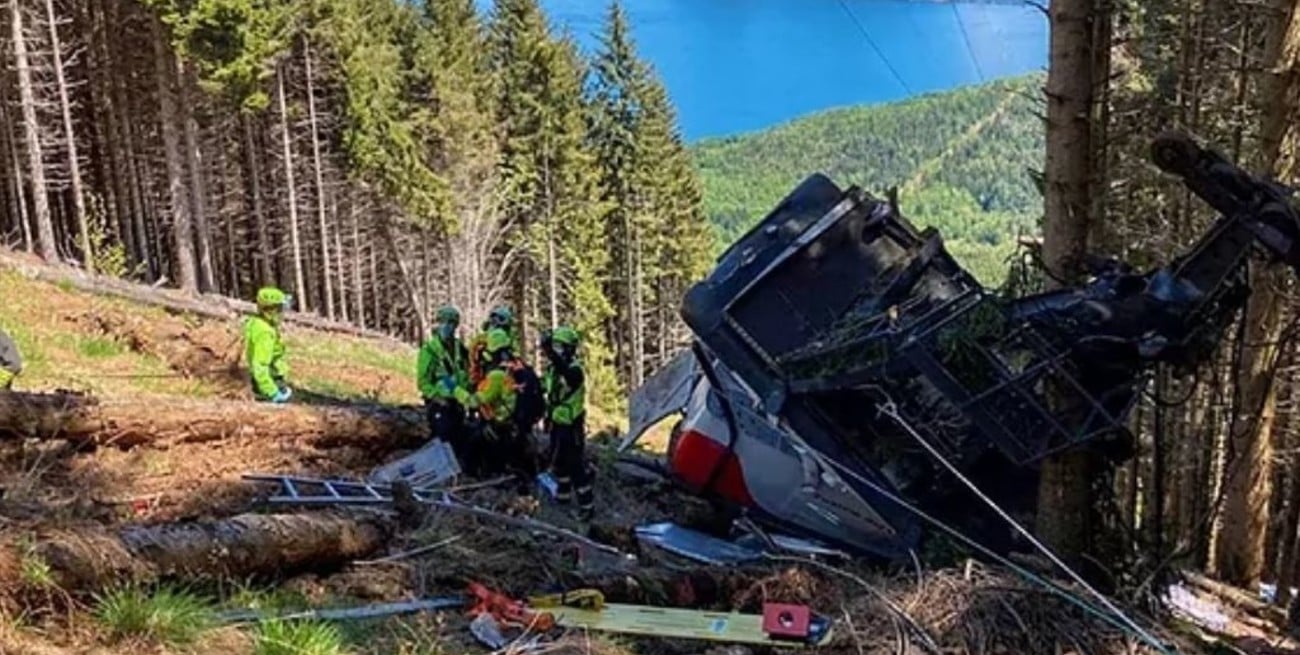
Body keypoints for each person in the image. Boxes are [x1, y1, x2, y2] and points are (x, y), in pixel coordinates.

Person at [468, 328, 538, 489]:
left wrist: (456, 391)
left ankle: (491, 477)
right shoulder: (519, 367)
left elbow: (477, 400)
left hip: (503, 426)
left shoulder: (496, 375)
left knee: (475, 443)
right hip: (519, 425)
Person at [541, 326, 592, 520]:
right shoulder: (552, 369)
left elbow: (570, 378)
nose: (557, 350)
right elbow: (549, 390)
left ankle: (586, 506)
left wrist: (551, 354)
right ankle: (563, 499)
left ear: (570, 348)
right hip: (556, 422)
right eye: (555, 346)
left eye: (560, 346)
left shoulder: (575, 369)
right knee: (559, 464)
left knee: (575, 466)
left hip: (572, 426)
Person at [417, 305, 472, 461]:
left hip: (458, 402)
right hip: (440, 404)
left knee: (459, 442)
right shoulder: (430, 349)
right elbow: (423, 381)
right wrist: (435, 396)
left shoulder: (460, 349)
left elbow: (466, 373)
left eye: (451, 323)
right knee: (442, 442)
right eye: (444, 322)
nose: (447, 326)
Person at [244, 286, 292, 403]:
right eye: (280, 309)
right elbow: (260, 365)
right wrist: (272, 392)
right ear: (271, 310)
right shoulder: (265, 333)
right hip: (270, 381)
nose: (282, 313)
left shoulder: (256, 323)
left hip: (264, 380)